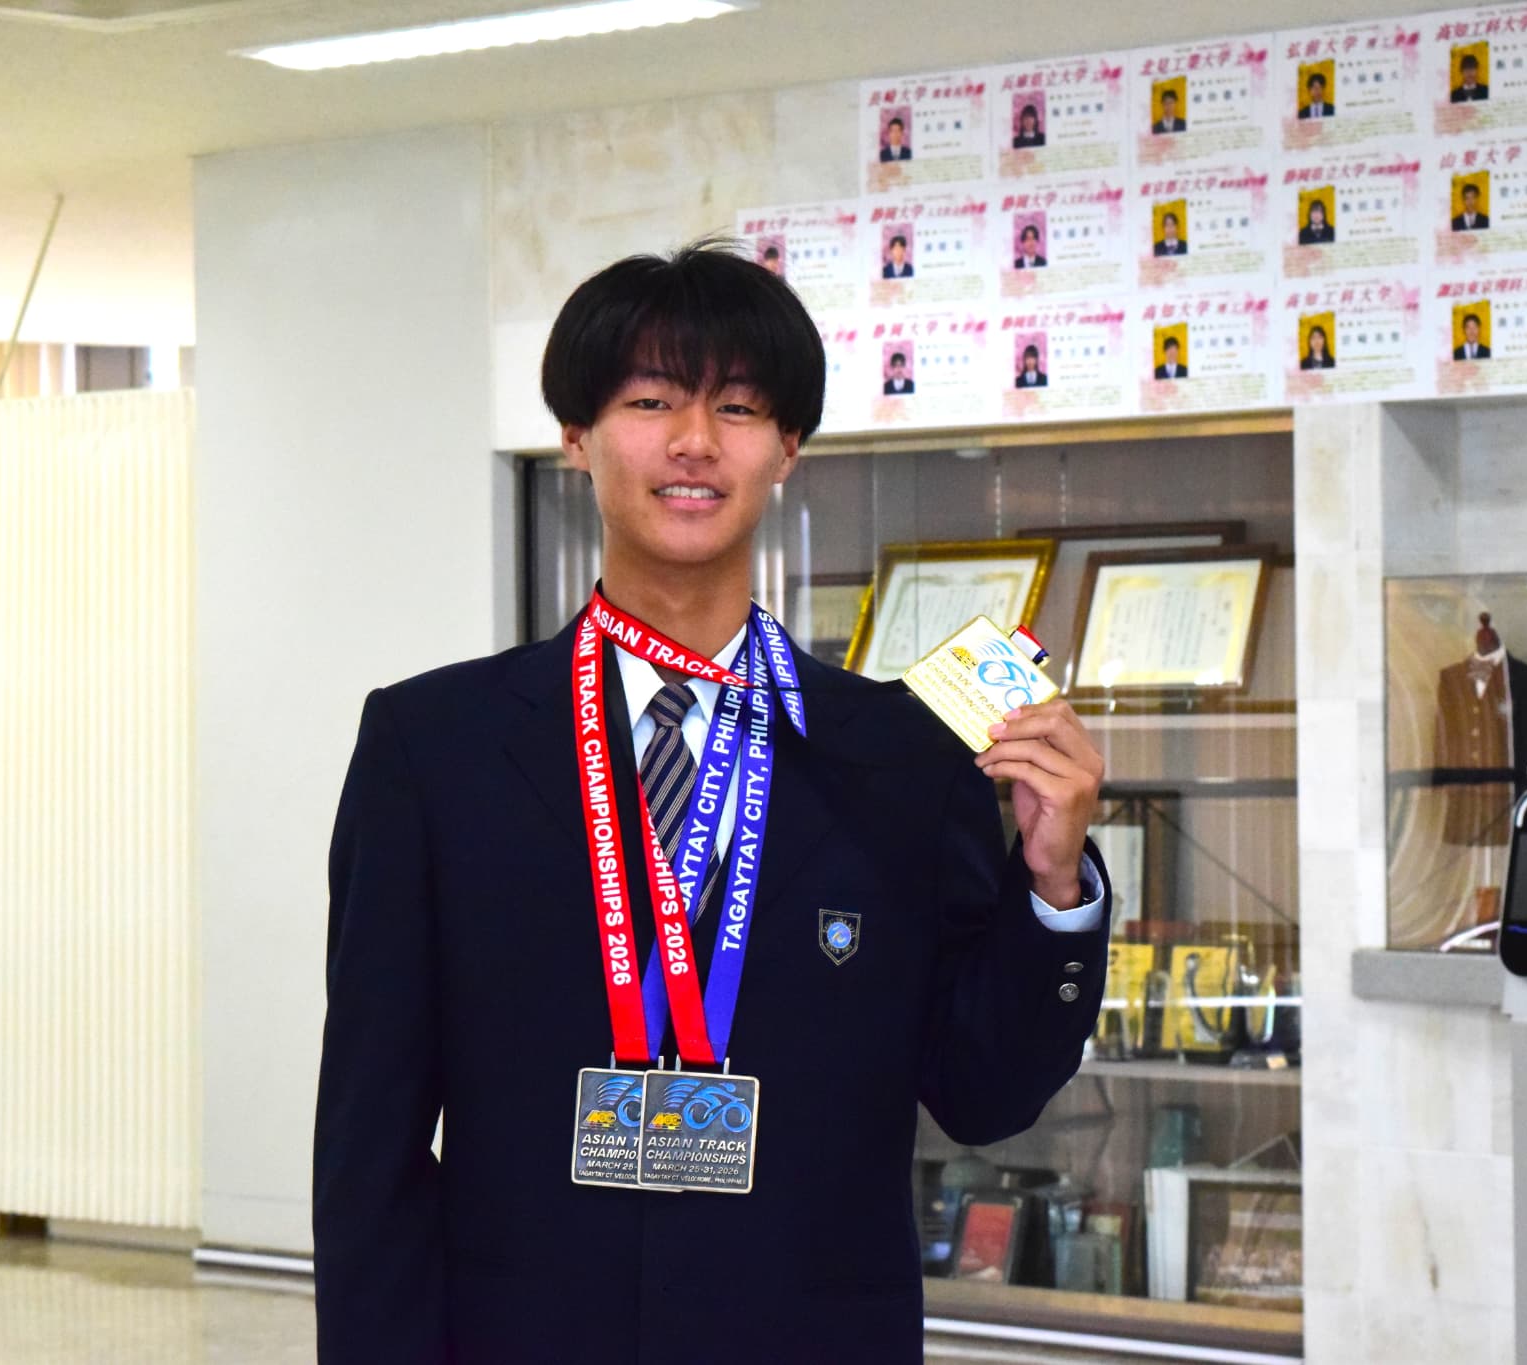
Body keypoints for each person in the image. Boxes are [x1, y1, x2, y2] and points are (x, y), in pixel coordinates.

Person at [313, 241, 1112, 1362]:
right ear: (576, 435)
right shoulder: (433, 747)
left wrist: (1054, 885)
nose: (694, 442)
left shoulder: (902, 755)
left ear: (787, 447)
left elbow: (984, 1094)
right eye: (649, 401)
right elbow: (370, 1145)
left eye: (737, 407)